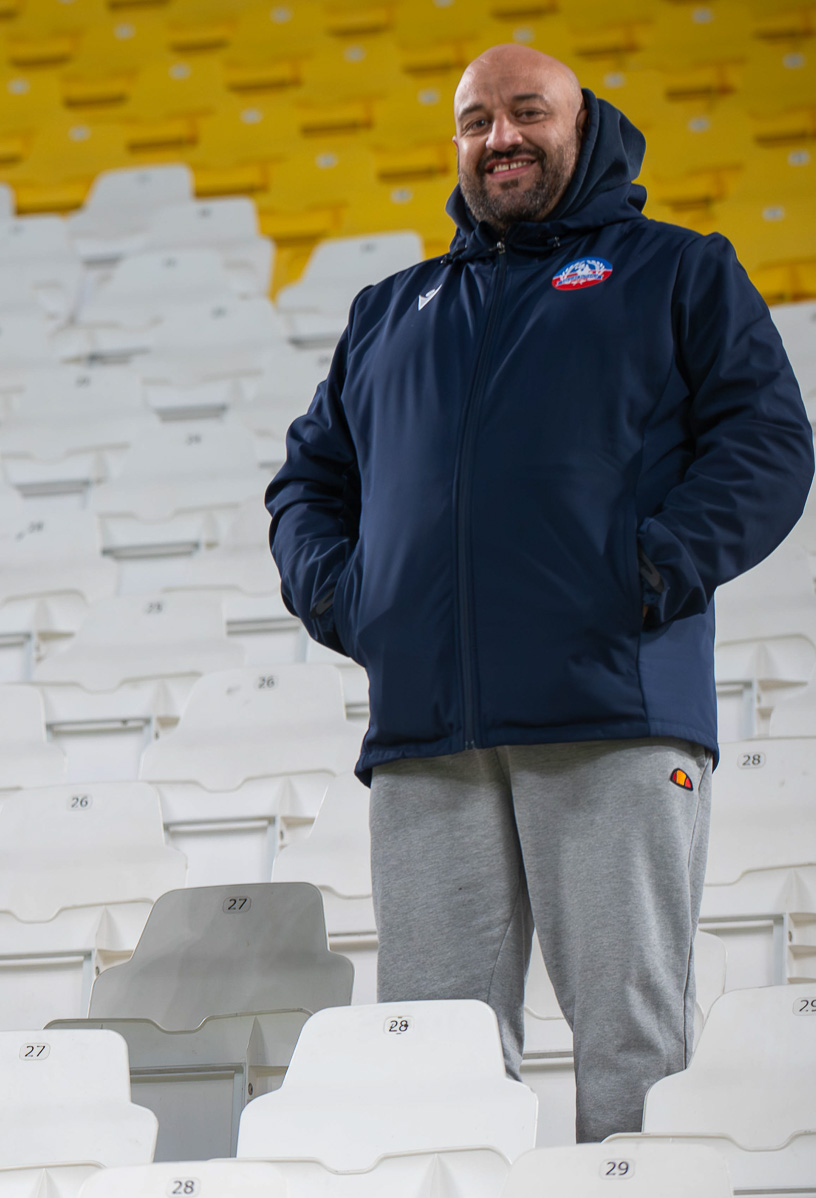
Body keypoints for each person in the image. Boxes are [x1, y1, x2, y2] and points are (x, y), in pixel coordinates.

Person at [266, 43, 813, 1142]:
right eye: (476, 120)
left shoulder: (680, 270)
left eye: (527, 113)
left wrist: (646, 568)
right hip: (430, 735)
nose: (500, 137)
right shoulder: (391, 308)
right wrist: (360, 601)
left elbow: (768, 445)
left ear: (584, 125)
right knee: (434, 1051)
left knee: (629, 1038)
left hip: (610, 708)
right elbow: (307, 483)